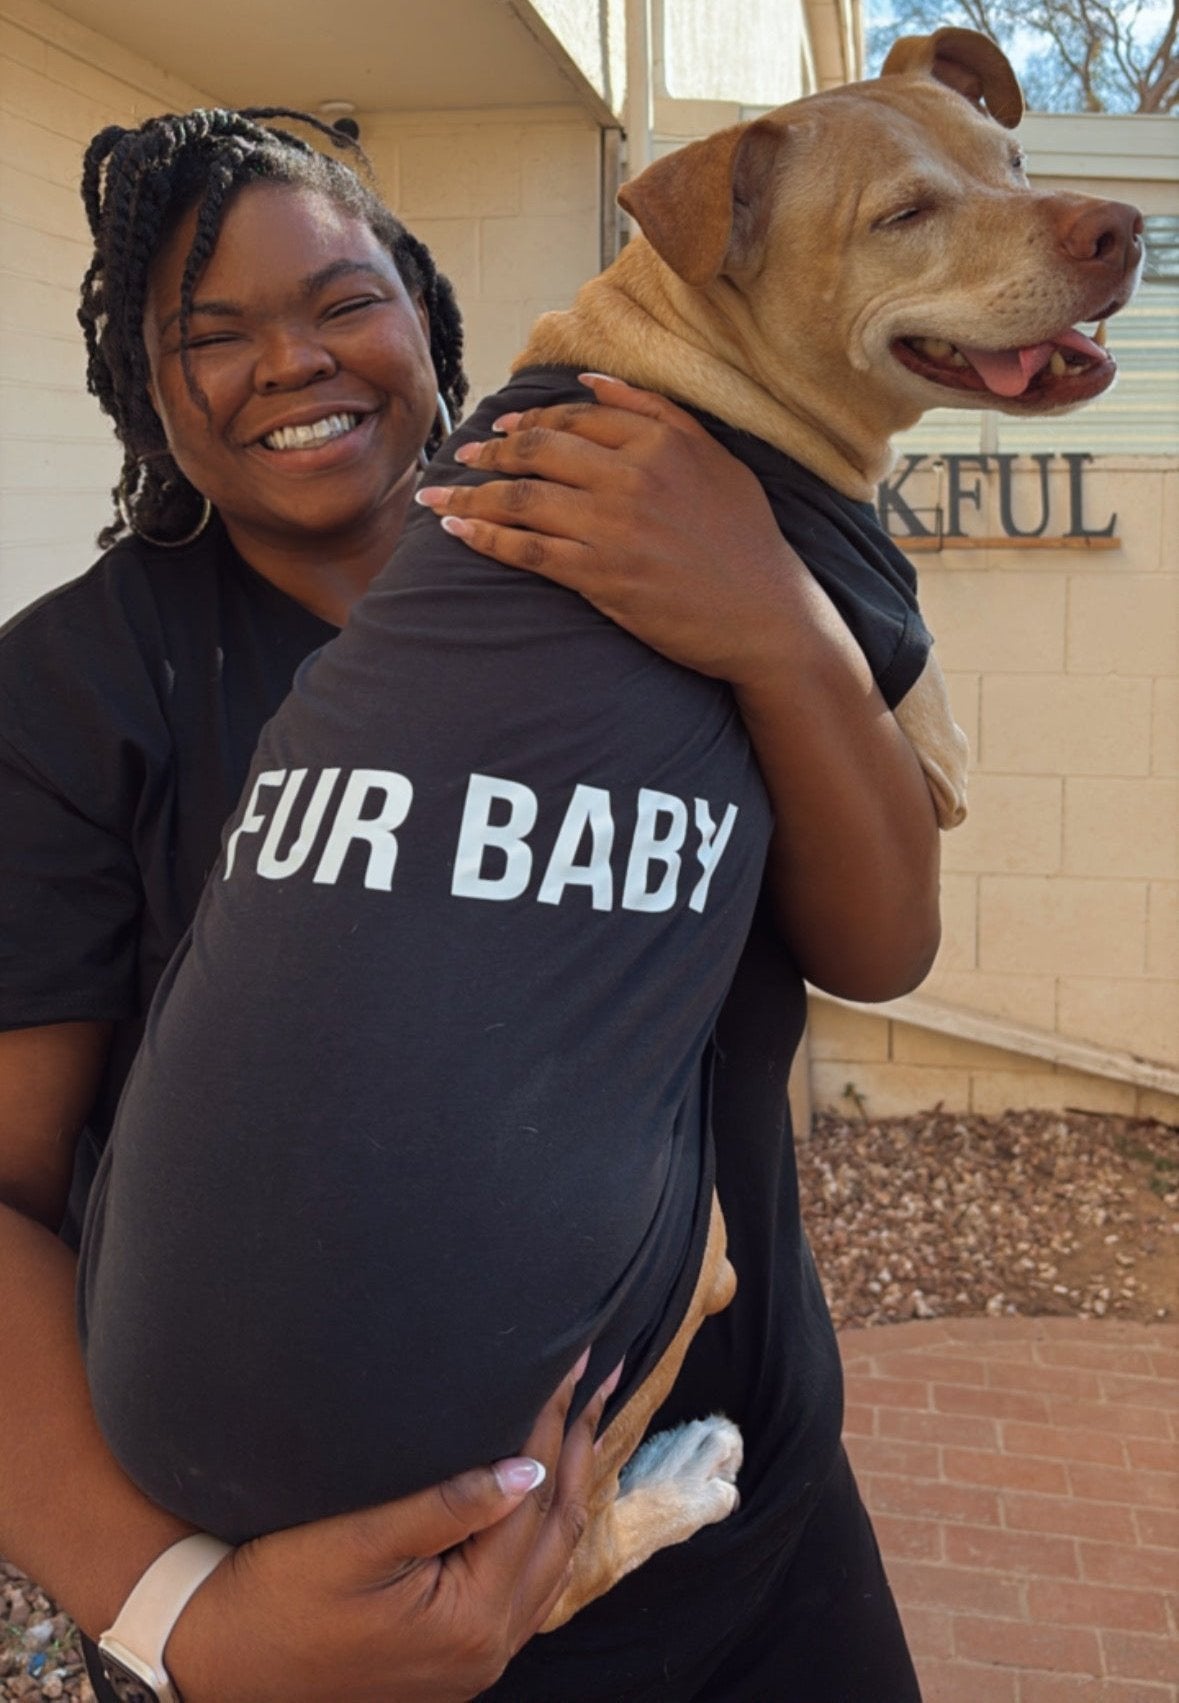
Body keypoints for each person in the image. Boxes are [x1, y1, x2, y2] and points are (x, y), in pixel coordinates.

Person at [0, 108, 939, 1703]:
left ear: (430, 321)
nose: (292, 360)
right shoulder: (78, 694)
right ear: (149, 396)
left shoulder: (657, 540)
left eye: (343, 299)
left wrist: (778, 625)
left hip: (755, 1520)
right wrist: (179, 1619)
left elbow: (880, 946)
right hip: (351, 1619)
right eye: (209, 335)